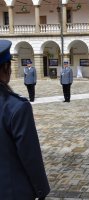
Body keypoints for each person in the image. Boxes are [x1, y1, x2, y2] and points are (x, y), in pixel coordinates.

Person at [0, 40, 50, 199]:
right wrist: (41, 190)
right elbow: (30, 156)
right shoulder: (16, 108)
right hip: (11, 190)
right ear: (6, 68)